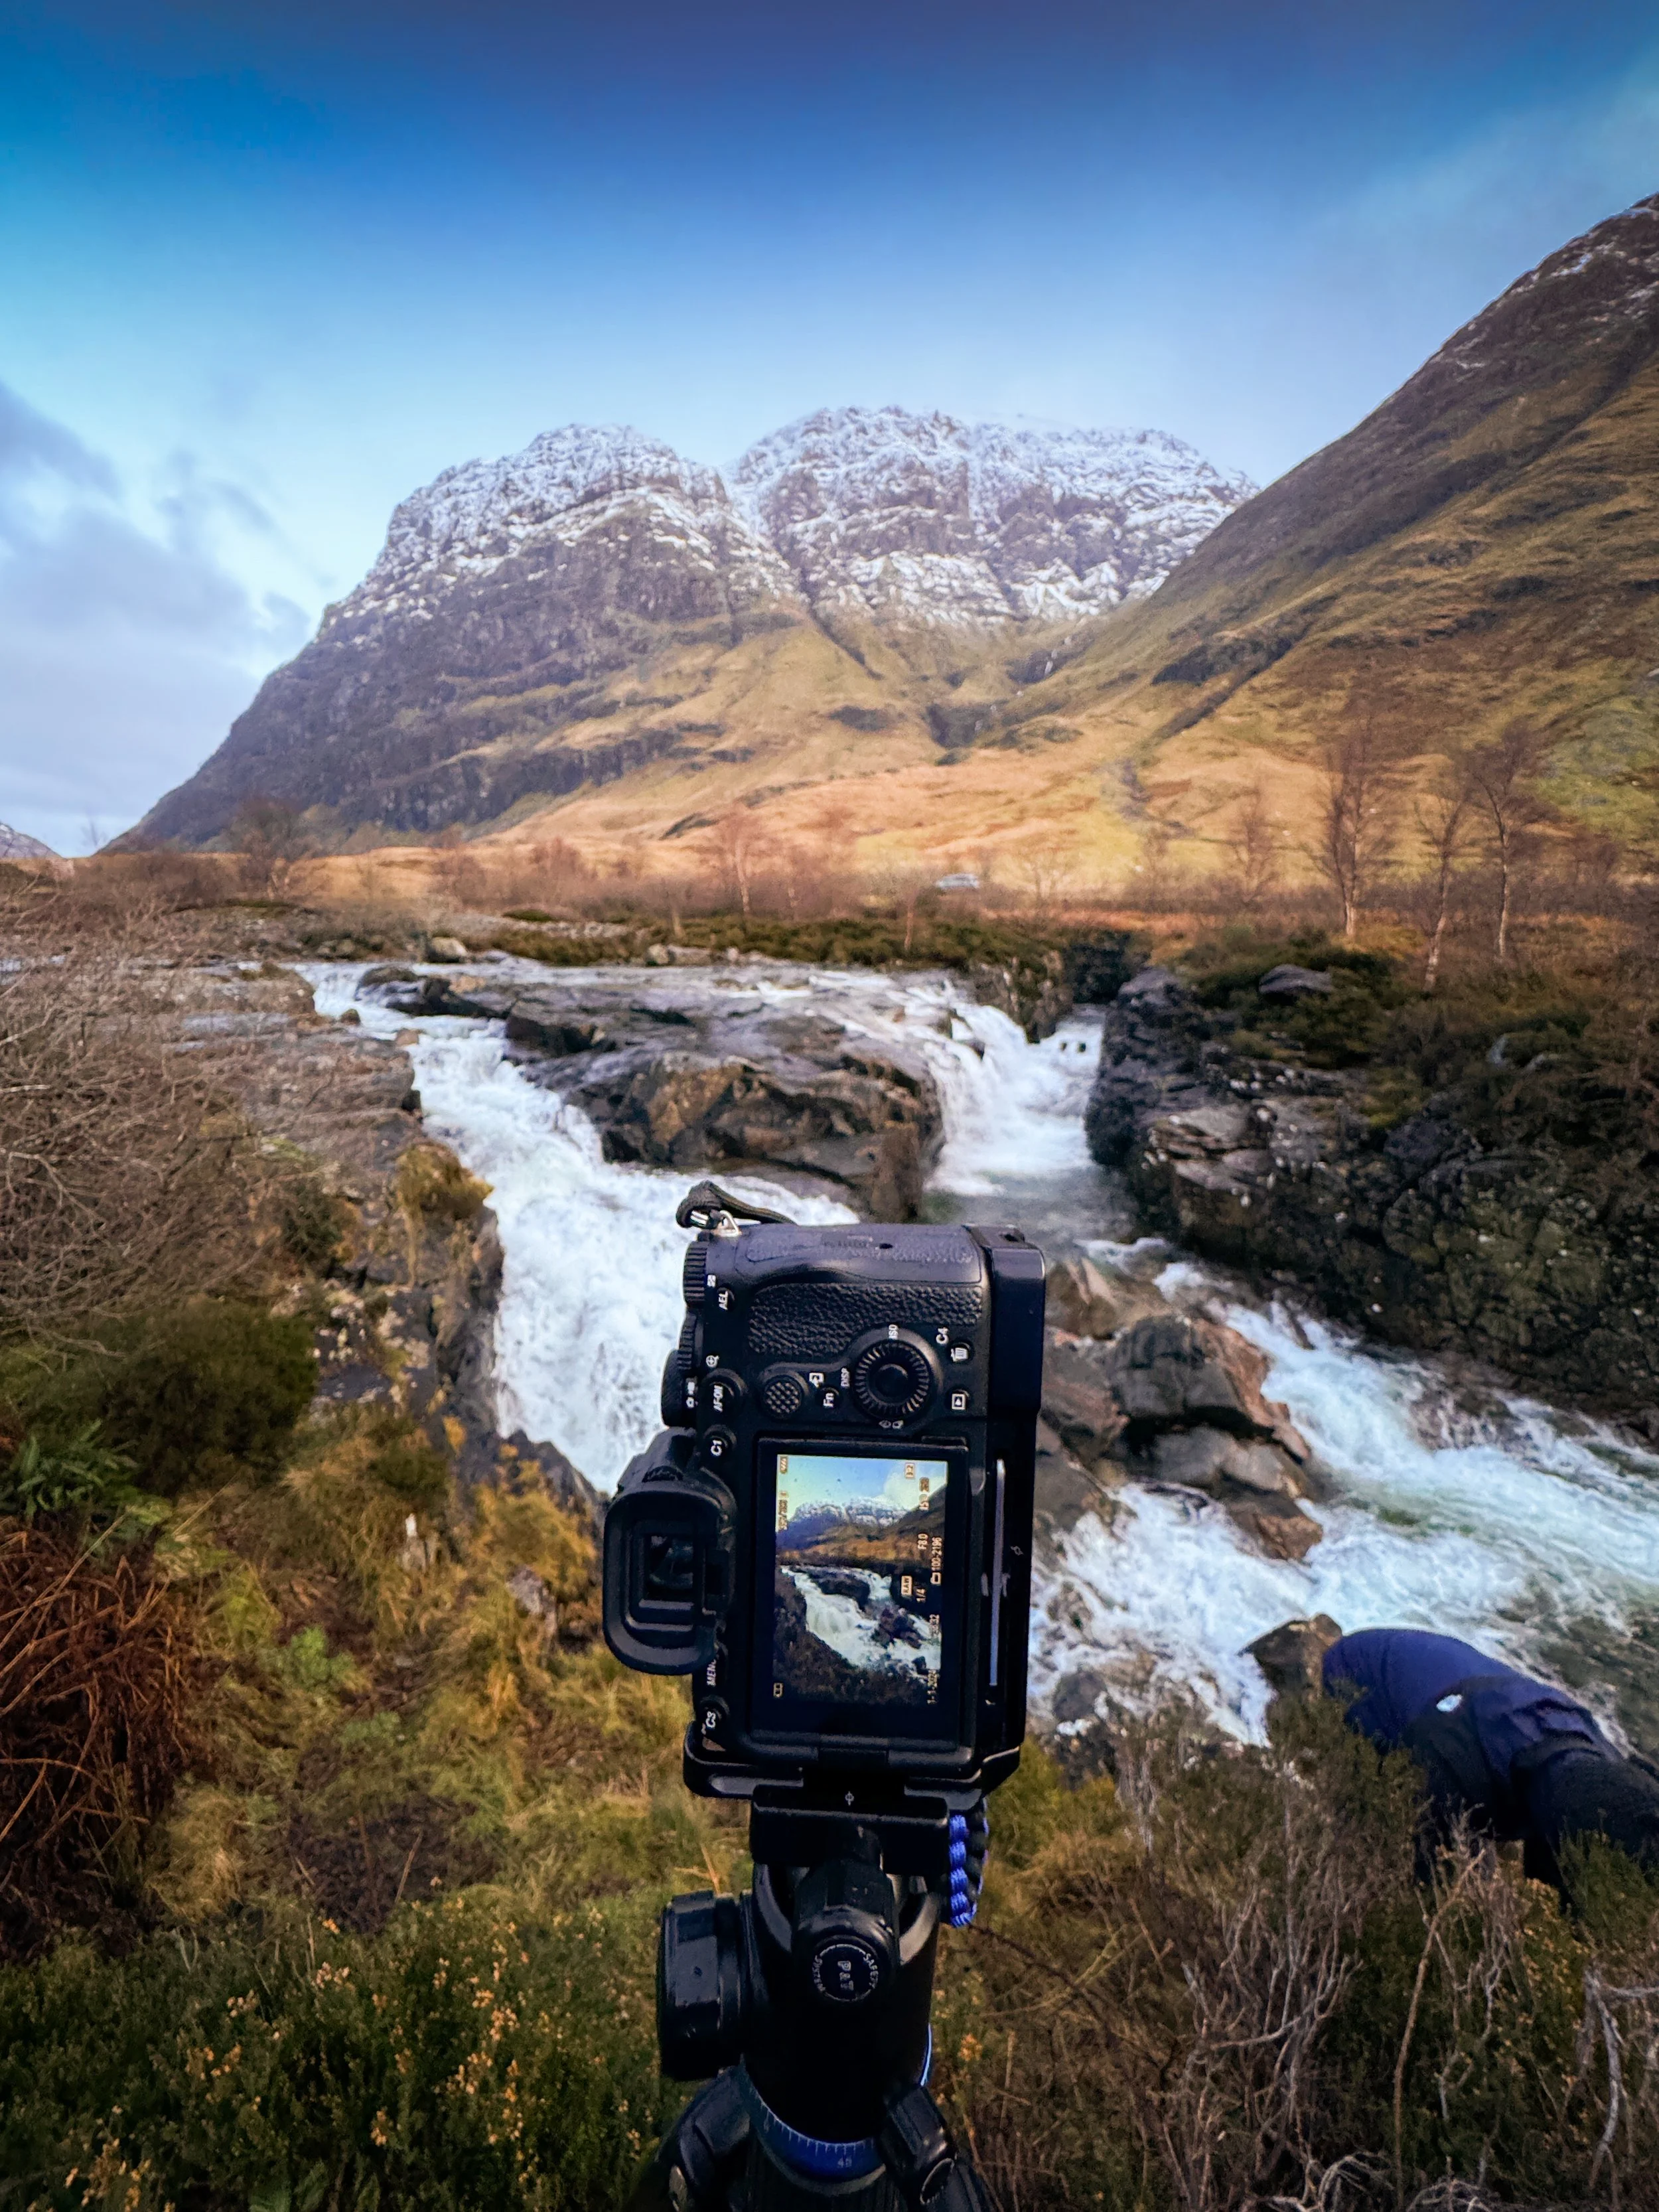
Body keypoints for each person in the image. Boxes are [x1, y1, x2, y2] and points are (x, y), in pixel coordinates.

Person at [1252, 1618, 1659, 1891]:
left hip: (1447, 1677)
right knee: (1428, 1859)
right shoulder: (1455, 1765)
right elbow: (1426, 1878)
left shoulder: (1598, 1753)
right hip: (1361, 1671)